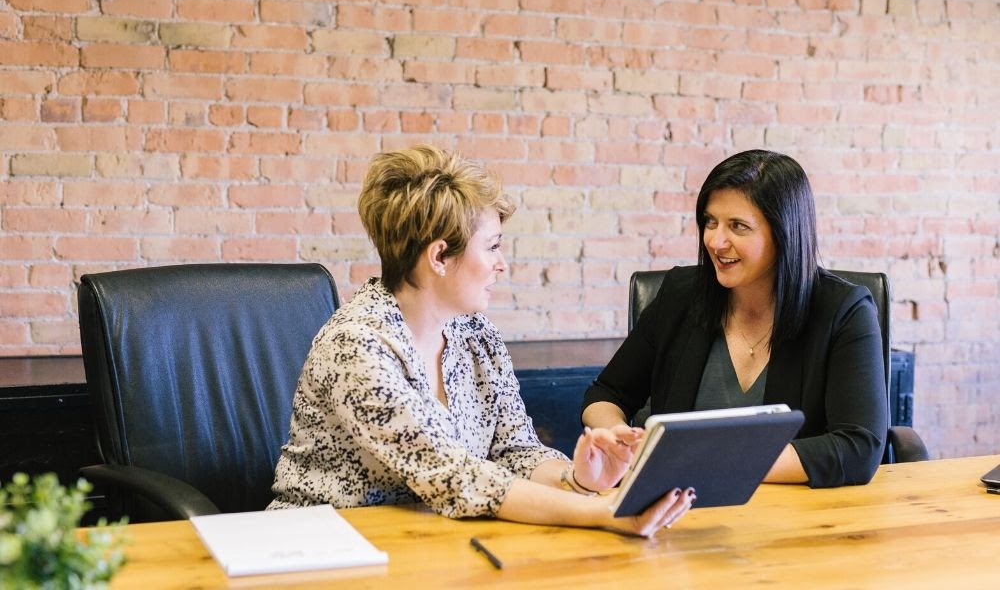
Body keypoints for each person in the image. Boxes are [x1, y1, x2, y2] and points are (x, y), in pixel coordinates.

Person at [269, 145, 694, 536]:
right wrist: (604, 512)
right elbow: (454, 476)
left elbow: (515, 450)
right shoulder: (356, 346)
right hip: (320, 548)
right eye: (492, 247)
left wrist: (579, 479)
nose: (502, 264)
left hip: (430, 542)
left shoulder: (476, 334)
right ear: (438, 257)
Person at [582, 149, 887, 488]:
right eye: (710, 222)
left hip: (794, 515)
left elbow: (859, 447)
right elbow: (605, 393)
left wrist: (705, 462)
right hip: (677, 510)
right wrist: (616, 437)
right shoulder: (681, 295)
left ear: (784, 233)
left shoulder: (844, 310)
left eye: (738, 226)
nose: (715, 240)